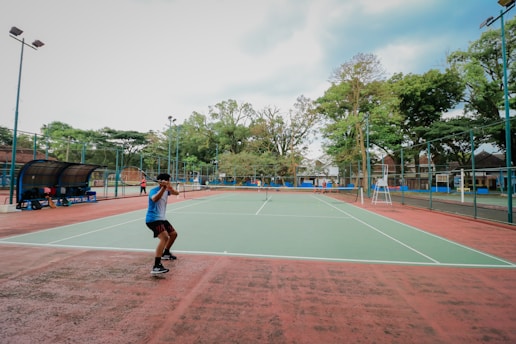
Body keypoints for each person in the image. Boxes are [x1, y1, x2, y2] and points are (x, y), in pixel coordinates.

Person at [145, 173, 180, 274]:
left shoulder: (166, 190)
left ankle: (166, 253)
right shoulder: (154, 191)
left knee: (173, 234)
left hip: (162, 219)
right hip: (153, 219)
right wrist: (163, 188)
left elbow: (176, 193)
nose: (170, 182)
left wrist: (170, 188)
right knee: (164, 237)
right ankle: (156, 266)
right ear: (162, 181)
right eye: (169, 180)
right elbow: (155, 198)